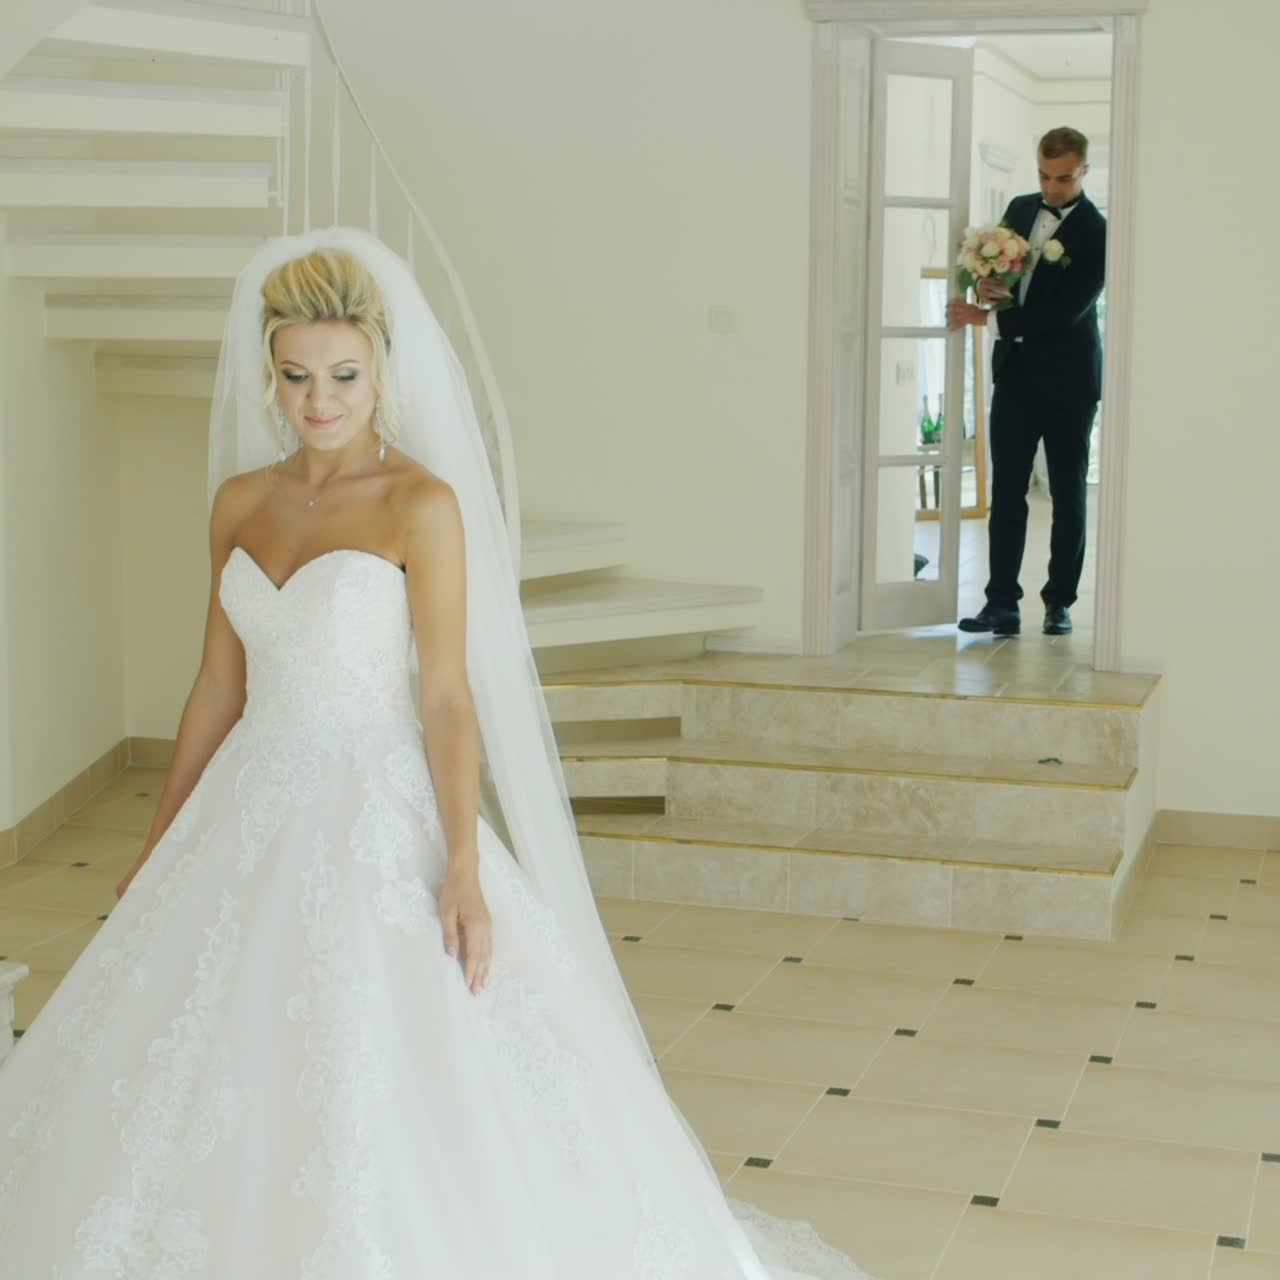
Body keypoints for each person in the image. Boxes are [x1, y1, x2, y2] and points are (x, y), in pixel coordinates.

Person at [0, 229, 871, 1279]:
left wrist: (461, 862)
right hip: (248, 796)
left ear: (380, 368)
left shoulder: (421, 504)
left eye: (343, 375)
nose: (320, 400)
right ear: (269, 373)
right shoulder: (238, 501)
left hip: (373, 801)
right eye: (296, 376)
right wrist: (160, 840)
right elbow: (219, 686)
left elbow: (447, 694)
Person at [947, 126, 1106, 637]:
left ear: (1084, 171)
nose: (1051, 188)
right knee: (1007, 490)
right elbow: (998, 278)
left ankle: (1059, 602)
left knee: (1067, 494)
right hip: (1015, 375)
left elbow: (1066, 312)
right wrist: (989, 289)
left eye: (1063, 178)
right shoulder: (1018, 209)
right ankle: (1001, 604)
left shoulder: (1098, 231)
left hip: (1070, 381)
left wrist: (985, 319)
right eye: (1044, 176)